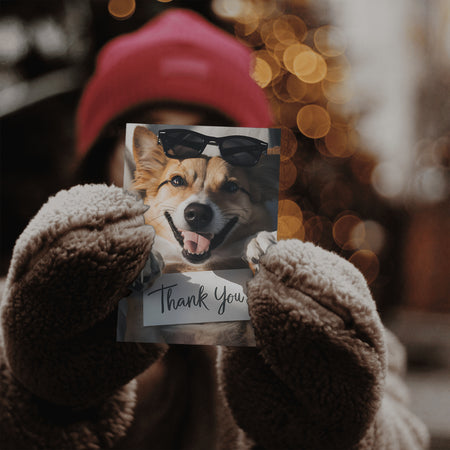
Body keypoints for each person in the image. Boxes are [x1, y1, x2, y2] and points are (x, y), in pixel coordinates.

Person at [0, 8, 429, 449]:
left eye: (214, 146)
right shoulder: (17, 312)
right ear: (101, 164)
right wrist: (36, 391)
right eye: (154, 146)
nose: (191, 190)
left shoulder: (309, 315)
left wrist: (339, 414)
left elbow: (402, 433)